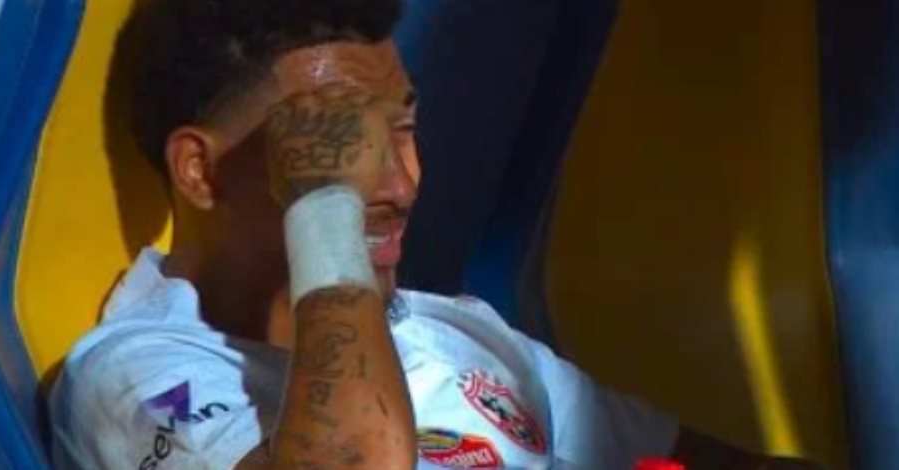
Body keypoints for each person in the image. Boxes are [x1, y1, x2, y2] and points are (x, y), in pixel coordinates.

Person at [48, 0, 827, 469]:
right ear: (200, 171)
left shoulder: (452, 332)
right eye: (339, 147)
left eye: (404, 130)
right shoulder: (141, 378)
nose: (401, 183)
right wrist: (327, 210)